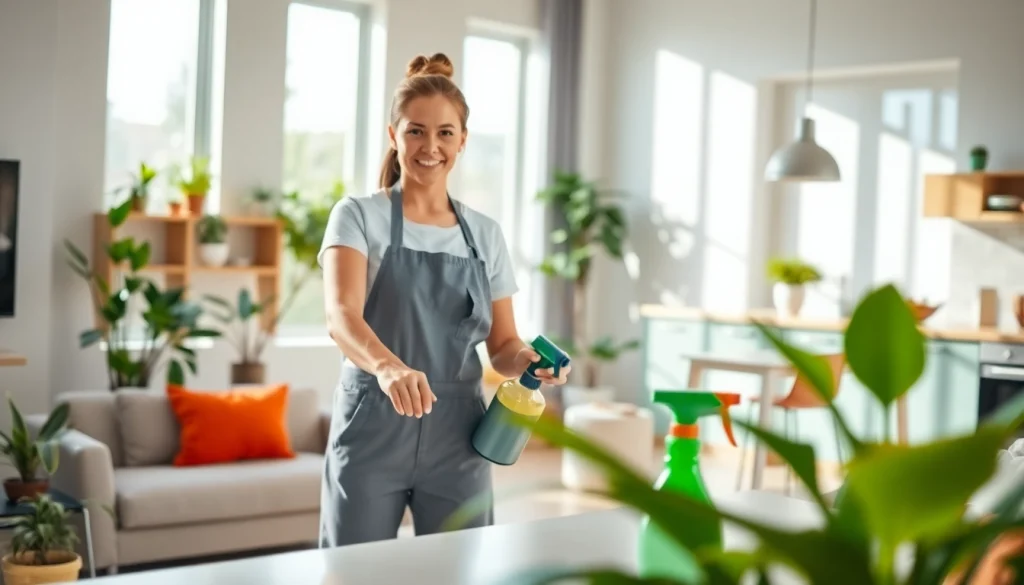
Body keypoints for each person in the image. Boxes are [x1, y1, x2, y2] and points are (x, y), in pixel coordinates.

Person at [317, 52, 572, 548]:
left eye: (445, 133)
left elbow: (503, 345)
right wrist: (389, 368)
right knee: (354, 572)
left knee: (458, 570)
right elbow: (340, 316)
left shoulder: (485, 234)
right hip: (373, 423)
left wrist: (531, 363)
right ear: (394, 136)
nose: (429, 146)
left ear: (462, 141)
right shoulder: (357, 216)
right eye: (415, 131)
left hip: (460, 434)